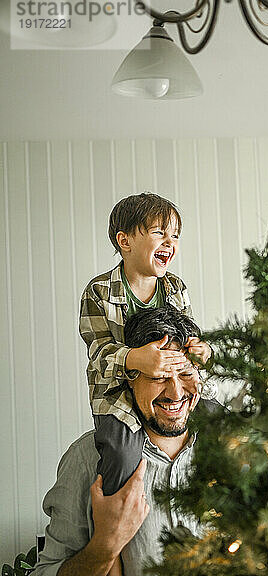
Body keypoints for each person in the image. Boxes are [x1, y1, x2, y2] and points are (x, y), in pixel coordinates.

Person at [35, 305, 217, 576]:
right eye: (159, 376)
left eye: (187, 373)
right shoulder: (88, 458)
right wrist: (106, 545)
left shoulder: (233, 447)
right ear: (130, 378)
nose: (176, 392)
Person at [79, 192, 213, 498]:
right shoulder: (99, 291)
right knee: (121, 453)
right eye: (159, 233)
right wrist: (136, 359)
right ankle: (117, 515)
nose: (170, 242)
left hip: (172, 382)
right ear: (125, 242)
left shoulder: (176, 288)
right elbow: (98, 353)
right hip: (116, 395)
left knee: (220, 422)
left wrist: (201, 351)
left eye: (175, 235)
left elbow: (190, 337)